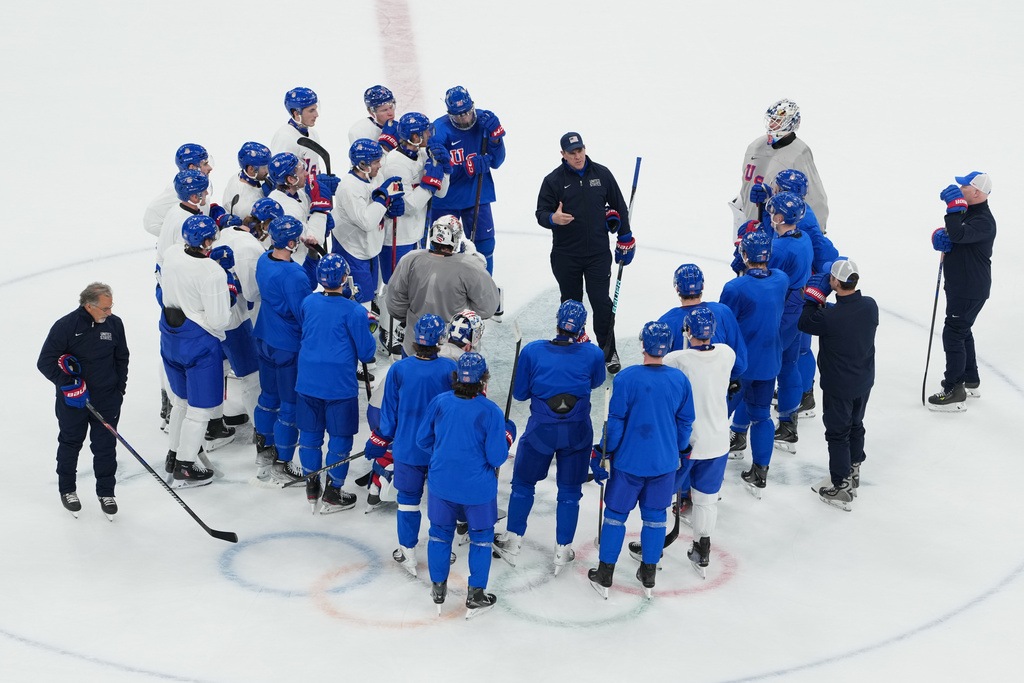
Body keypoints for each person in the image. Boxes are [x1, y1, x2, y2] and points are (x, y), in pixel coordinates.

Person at [492, 300, 606, 574]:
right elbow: (596, 382)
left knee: (522, 485)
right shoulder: (593, 353)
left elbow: (519, 395)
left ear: (556, 322)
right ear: (581, 329)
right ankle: (562, 550)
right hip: (578, 433)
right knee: (570, 494)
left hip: (540, 431)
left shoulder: (532, 351)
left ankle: (513, 541)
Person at [588, 321, 694, 599]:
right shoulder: (680, 380)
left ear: (642, 345)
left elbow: (615, 424)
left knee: (614, 517)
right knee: (656, 518)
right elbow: (685, 423)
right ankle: (648, 573)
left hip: (628, 464)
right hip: (664, 463)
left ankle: (605, 573)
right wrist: (679, 451)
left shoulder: (626, 378)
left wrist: (603, 453)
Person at [417, 353, 516, 618]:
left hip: (442, 485)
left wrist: (445, 454)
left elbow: (422, 440)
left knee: (439, 534)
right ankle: (476, 595)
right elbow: (496, 458)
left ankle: (438, 590)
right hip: (478, 491)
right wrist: (507, 435)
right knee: (481, 540)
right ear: (484, 379)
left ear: (456, 376)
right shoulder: (491, 411)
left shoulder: (439, 402)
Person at [363, 315, 458, 576]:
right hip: (439, 450)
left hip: (407, 449)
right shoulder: (450, 368)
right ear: (440, 339)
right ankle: (442, 548)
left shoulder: (399, 369)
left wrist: (380, 438)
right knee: (442, 500)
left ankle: (407, 551)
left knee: (407, 500)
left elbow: (389, 413)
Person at [535, 131, 636, 374]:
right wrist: (553, 218)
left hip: (598, 254)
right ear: (563, 155)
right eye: (572, 153)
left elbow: (620, 207)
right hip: (565, 255)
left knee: (601, 302)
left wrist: (625, 238)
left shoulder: (602, 174)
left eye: (580, 150)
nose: (578, 156)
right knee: (571, 303)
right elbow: (540, 214)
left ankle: (608, 350)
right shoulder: (553, 181)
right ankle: (571, 348)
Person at [38, 283, 129, 518]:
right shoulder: (66, 326)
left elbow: (122, 357)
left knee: (105, 446)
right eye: (105, 309)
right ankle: (67, 489)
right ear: (89, 306)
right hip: (73, 400)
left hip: (107, 398)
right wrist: (69, 385)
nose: (109, 313)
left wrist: (120, 389)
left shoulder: (114, 324)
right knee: (70, 443)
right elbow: (45, 361)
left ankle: (106, 492)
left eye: (111, 308)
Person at [296, 255, 377, 514]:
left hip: (307, 380)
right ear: (345, 279)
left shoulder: (308, 301)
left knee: (309, 435)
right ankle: (333, 491)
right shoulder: (354, 310)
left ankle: (311, 486)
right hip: (339, 385)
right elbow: (366, 354)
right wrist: (368, 324)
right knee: (340, 439)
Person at [159, 216, 233, 488]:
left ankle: (173, 454)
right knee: (200, 411)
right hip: (199, 342)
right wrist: (230, 288)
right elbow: (219, 321)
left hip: (170, 336)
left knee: (181, 402)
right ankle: (185, 466)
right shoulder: (212, 272)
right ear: (206, 241)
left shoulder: (172, 253)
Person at [661, 306, 735, 574]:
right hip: (718, 442)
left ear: (687, 331)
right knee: (707, 500)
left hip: (687, 444)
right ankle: (702, 551)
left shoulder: (676, 359)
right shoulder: (727, 353)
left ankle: (652, 547)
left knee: (661, 497)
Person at [798, 260, 877, 510]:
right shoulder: (869, 306)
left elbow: (805, 322)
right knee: (856, 425)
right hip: (863, 381)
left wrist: (813, 298)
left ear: (834, 281)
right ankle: (854, 469)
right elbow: (842, 316)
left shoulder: (829, 318)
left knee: (837, 434)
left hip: (838, 386)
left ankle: (840, 484)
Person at [251, 215, 321, 485]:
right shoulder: (292, 275)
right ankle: (282, 463)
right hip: (288, 347)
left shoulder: (264, 259)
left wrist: (312, 259)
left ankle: (264, 451)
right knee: (289, 407)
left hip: (264, 336)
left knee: (268, 397)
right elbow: (304, 311)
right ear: (292, 242)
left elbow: (301, 279)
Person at [720, 230, 789, 494]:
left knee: (717, 416)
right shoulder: (781, 279)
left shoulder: (735, 288)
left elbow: (725, 324)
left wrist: (739, 273)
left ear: (744, 255)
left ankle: (708, 474)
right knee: (761, 417)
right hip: (769, 363)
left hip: (738, 366)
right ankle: (760, 472)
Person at [377, 112, 450, 351]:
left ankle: (401, 325)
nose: (432, 135)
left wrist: (444, 171)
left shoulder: (422, 153)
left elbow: (441, 193)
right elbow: (407, 206)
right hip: (396, 237)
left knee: (412, 285)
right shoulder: (395, 164)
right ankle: (388, 333)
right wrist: (430, 183)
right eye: (427, 131)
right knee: (393, 286)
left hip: (417, 233)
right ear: (415, 136)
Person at [385, 215, 500, 358]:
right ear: (456, 238)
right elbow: (487, 309)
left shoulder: (410, 259)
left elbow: (395, 304)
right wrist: (477, 262)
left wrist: (412, 320)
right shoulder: (470, 266)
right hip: (454, 351)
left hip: (414, 345)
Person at [928, 171, 996, 411]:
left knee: (954, 332)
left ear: (976, 192)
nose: (960, 189)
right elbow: (955, 235)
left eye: (964, 186)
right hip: (962, 285)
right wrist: (942, 236)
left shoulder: (984, 220)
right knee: (962, 330)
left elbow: (959, 233)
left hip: (969, 288)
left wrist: (953, 209)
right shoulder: (971, 214)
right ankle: (971, 379)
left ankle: (954, 388)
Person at [429, 85, 506, 274]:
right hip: (447, 199)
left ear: (473, 106)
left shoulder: (484, 122)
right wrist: (465, 168)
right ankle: (443, 290)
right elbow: (434, 171)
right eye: (458, 115)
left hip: (477, 195)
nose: (464, 118)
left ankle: (484, 286)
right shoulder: (438, 130)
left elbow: (497, 161)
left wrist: (496, 140)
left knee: (486, 245)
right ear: (449, 113)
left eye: (467, 112)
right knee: (442, 248)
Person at [728, 99, 829, 233]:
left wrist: (818, 231)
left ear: (791, 123)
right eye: (771, 119)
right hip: (750, 224)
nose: (771, 124)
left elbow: (815, 196)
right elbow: (747, 183)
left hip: (777, 229)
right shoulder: (755, 146)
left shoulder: (799, 153)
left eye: (777, 121)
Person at [762, 192, 813, 452]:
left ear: (780, 217)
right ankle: (788, 423)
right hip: (798, 307)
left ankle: (744, 427)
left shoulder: (780, 249)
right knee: (789, 365)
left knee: (764, 367)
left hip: (782, 311)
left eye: (772, 213)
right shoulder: (802, 237)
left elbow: (762, 273)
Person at [267, 151, 332, 263]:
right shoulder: (286, 209)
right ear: (291, 179)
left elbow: (306, 219)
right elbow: (313, 240)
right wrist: (320, 211)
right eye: (302, 171)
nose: (307, 173)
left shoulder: (297, 193)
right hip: (295, 264)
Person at [143, 143, 213, 238]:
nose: (210, 168)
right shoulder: (178, 190)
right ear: (192, 167)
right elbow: (150, 221)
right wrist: (182, 237)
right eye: (205, 163)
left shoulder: (200, 183)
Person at [271, 87, 324, 177]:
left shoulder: (313, 133)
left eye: (316, 109)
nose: (316, 115)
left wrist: (320, 183)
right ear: (296, 113)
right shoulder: (285, 138)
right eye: (311, 110)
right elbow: (279, 177)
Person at [224, 141, 273, 220]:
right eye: (264, 167)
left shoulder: (240, 176)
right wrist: (275, 196)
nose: (267, 171)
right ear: (251, 169)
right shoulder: (246, 204)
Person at [348, 85, 398, 150]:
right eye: (384, 110)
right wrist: (385, 146)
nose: (391, 113)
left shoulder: (401, 126)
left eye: (391, 107)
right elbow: (364, 159)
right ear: (371, 112)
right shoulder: (359, 131)